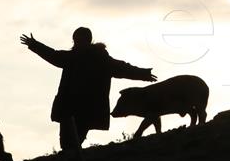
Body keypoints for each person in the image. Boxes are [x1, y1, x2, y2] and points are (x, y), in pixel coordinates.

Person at [20, 27, 156, 150]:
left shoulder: (97, 58)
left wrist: (143, 74)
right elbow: (53, 55)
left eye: (79, 39)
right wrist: (34, 45)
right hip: (73, 108)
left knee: (71, 143)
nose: (77, 42)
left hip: (82, 109)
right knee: (69, 144)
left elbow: (123, 68)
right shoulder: (75, 57)